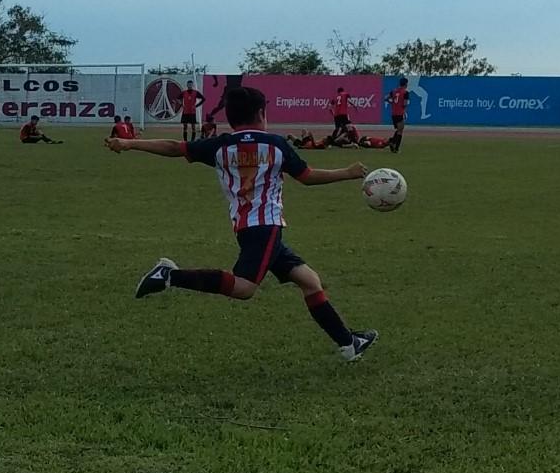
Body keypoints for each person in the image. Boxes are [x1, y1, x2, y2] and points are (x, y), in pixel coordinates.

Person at [105, 86, 379, 362]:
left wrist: (129, 144)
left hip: (247, 226)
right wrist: (347, 173)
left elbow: (175, 148)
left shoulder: (221, 145)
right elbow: (307, 176)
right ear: (262, 114)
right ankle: (168, 276)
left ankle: (349, 343)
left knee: (309, 280)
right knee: (244, 288)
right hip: (266, 226)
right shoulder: (276, 144)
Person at [385, 77, 409, 154]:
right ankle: (396, 147)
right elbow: (404, 104)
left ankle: (392, 141)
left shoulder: (394, 91)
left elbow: (386, 98)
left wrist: (392, 103)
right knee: (400, 131)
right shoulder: (405, 93)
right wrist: (404, 112)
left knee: (398, 130)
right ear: (405, 84)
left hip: (394, 113)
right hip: (399, 113)